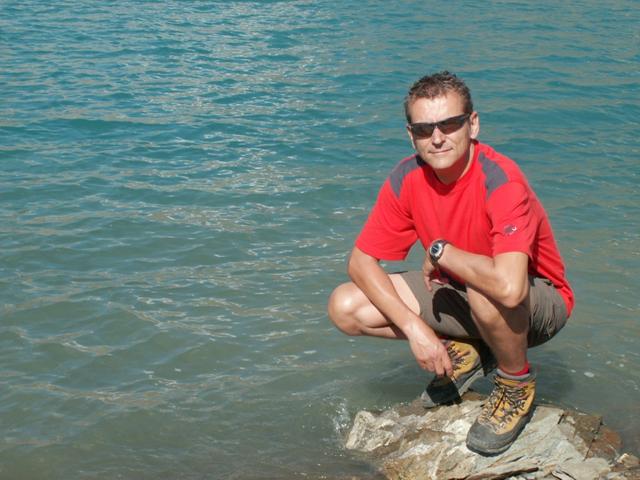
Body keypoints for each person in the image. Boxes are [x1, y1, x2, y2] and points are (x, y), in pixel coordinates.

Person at [327, 71, 574, 455]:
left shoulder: (501, 180)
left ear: (472, 125)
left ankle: (515, 384)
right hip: (459, 292)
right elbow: (360, 263)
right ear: (411, 135)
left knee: (486, 291)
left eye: (449, 124)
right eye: (424, 129)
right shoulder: (406, 177)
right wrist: (416, 330)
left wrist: (441, 251)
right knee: (345, 306)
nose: (437, 137)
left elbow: (510, 288)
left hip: (536, 301)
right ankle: (471, 347)